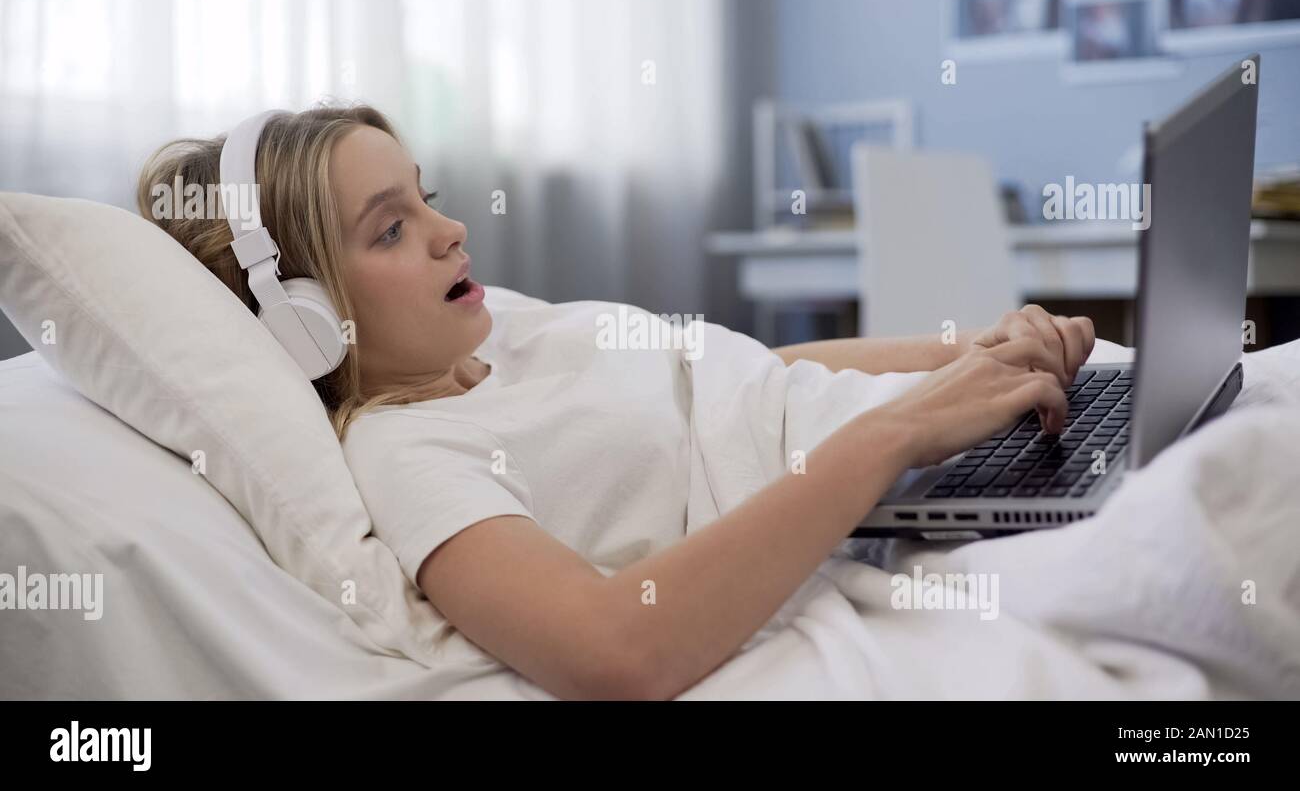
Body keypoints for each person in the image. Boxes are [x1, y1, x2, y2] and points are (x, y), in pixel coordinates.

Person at [138, 105, 1094, 700]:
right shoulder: (408, 455)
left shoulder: (503, 330)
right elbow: (614, 651)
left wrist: (965, 351)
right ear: (305, 318)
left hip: (934, 434)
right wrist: (907, 425)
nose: (452, 229)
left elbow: (752, 372)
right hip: (900, 491)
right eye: (392, 228)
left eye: (427, 197)